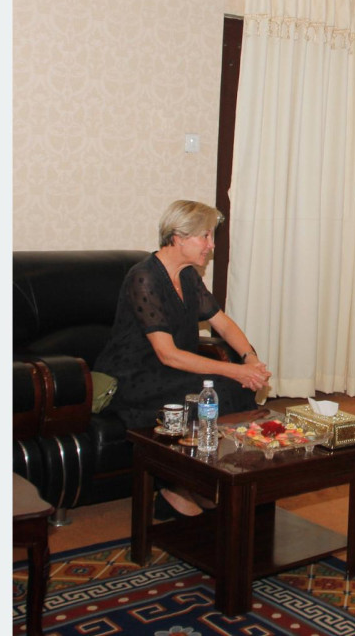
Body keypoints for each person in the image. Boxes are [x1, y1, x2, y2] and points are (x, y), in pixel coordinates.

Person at [96, 199, 272, 514]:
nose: (211, 245)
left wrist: (249, 359)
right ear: (178, 237)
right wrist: (234, 371)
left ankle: (221, 481)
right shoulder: (144, 277)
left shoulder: (188, 276)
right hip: (135, 377)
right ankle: (181, 488)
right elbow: (167, 355)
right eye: (205, 236)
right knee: (217, 392)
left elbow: (222, 322)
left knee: (235, 389)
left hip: (172, 371)